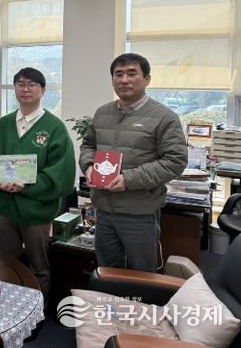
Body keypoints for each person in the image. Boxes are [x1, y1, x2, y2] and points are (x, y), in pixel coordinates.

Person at [79, 53, 187, 272]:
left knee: (142, 274)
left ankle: (140, 298)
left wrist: (128, 179)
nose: (124, 80)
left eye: (131, 73)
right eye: (118, 74)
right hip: (104, 209)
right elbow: (88, 145)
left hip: (139, 213)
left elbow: (175, 161)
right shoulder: (102, 113)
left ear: (147, 79)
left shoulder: (164, 117)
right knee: (107, 271)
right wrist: (88, 166)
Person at [0, 67, 75, 300]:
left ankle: (38, 314)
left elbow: (62, 173)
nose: (26, 89)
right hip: (5, 210)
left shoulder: (54, 128)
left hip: (37, 212)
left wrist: (27, 186)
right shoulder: (2, 125)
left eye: (32, 84)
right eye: (21, 84)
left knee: (39, 266)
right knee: (5, 263)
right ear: (15, 89)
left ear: (43, 90)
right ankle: (8, 308)